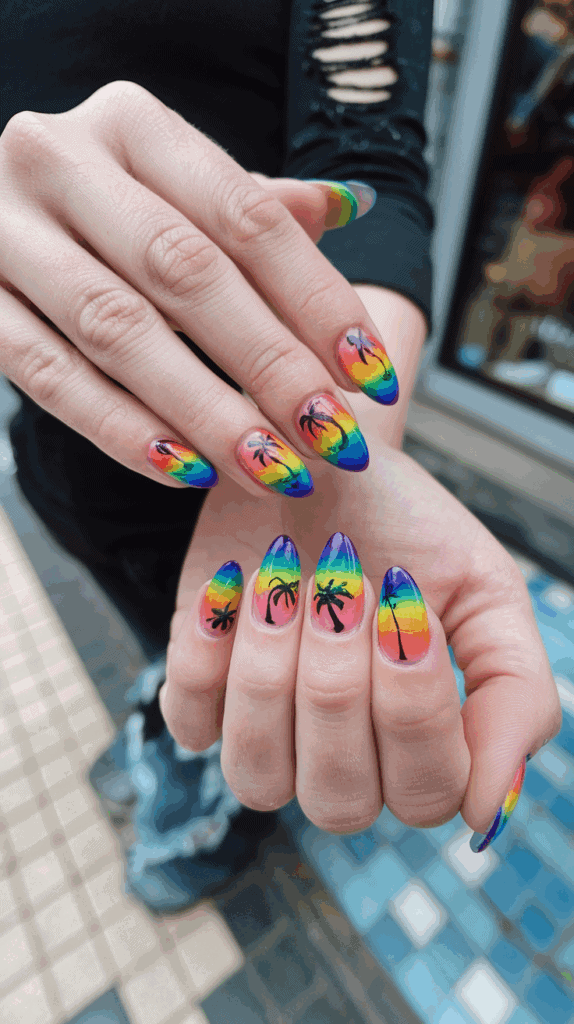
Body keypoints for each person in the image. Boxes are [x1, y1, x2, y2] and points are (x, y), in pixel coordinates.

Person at [0, 0, 560, 912]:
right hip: (61, 466)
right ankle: (166, 710)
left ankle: (215, 789)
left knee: (247, 697)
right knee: (170, 656)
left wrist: (352, 459)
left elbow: (366, 170)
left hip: (247, 513)